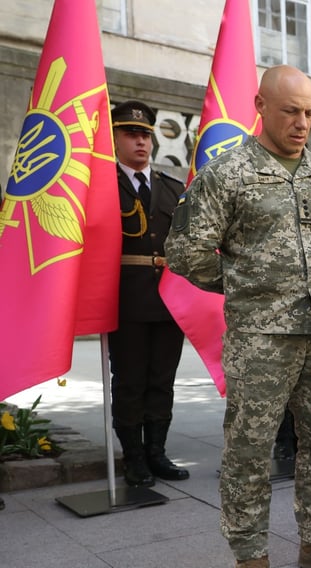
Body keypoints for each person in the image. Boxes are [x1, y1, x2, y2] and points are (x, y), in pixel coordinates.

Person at [166, 65, 311, 568]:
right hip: (261, 339)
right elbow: (186, 252)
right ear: (260, 105)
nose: (302, 123)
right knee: (250, 450)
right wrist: (250, 285)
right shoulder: (227, 175)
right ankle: (250, 556)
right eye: (290, 111)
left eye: (310, 113)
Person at [108, 100, 190, 487]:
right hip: (125, 300)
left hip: (169, 300)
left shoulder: (173, 189)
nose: (140, 142)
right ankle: (133, 457)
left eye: (145, 135)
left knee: (162, 379)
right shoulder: (102, 187)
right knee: (130, 381)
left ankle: (157, 452)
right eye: (131, 134)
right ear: (115, 137)